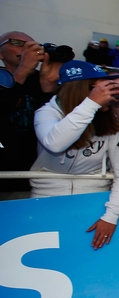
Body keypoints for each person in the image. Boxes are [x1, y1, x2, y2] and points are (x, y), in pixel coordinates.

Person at [30, 60, 119, 249]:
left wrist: (111, 216)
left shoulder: (109, 121)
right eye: (100, 88)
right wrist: (91, 104)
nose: (108, 93)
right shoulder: (46, 113)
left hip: (95, 203)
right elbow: (55, 143)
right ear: (80, 90)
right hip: (46, 201)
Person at [0, 31, 65, 193]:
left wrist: (49, 88)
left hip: (40, 177)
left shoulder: (41, 78)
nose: (27, 49)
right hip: (5, 176)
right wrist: (23, 70)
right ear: (1, 54)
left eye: (34, 45)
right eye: (17, 43)